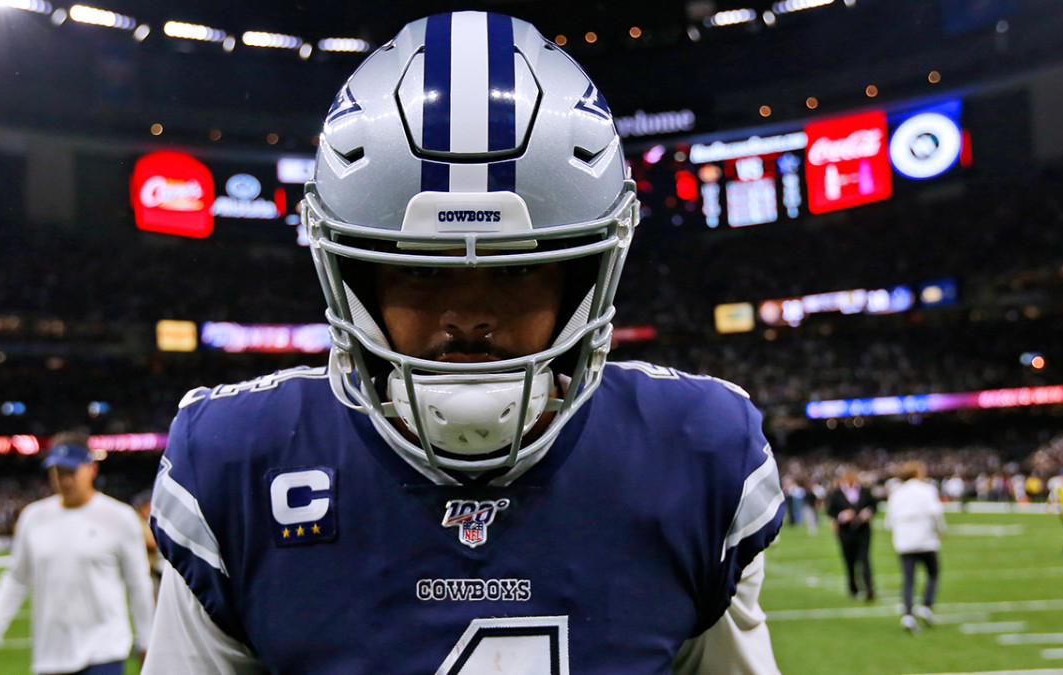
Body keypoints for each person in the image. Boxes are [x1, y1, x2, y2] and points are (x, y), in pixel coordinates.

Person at [143, 11, 786, 674]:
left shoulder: (698, 454)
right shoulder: (236, 463)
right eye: (422, 268)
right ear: (355, 277)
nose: (469, 315)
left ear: (582, 276)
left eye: (517, 267)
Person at [0, 432, 154, 675]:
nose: (64, 480)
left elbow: (138, 583)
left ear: (92, 469)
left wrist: (147, 642)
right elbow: (16, 579)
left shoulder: (119, 517)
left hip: (105, 650)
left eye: (71, 471)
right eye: (57, 472)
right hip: (50, 656)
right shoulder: (33, 518)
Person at [883, 460, 946, 633]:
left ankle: (908, 615)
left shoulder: (896, 492)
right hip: (926, 540)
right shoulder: (927, 489)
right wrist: (941, 530)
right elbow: (936, 513)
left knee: (908, 579)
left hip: (904, 542)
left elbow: (889, 522)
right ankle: (926, 605)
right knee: (933, 573)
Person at [826, 469, 878, 601]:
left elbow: (874, 506)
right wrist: (842, 516)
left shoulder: (865, 491)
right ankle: (853, 588)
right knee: (849, 560)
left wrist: (868, 513)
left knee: (864, 559)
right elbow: (830, 511)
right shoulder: (837, 494)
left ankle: (869, 588)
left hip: (863, 530)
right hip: (845, 532)